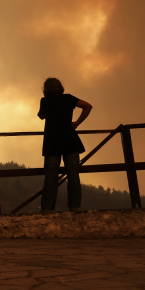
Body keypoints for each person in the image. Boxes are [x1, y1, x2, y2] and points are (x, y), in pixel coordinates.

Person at [38, 77, 92, 213]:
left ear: (46, 89)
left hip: (52, 141)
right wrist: (77, 122)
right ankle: (74, 207)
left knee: (51, 175)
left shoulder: (45, 101)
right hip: (70, 139)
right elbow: (87, 106)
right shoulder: (68, 98)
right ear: (60, 87)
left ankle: (48, 208)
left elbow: (41, 116)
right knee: (73, 174)